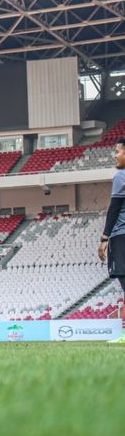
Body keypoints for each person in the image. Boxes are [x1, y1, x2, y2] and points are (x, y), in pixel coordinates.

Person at [97, 137, 125, 344]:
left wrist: (104, 238)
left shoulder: (120, 176)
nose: (115, 155)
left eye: (118, 151)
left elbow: (114, 208)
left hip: (121, 236)